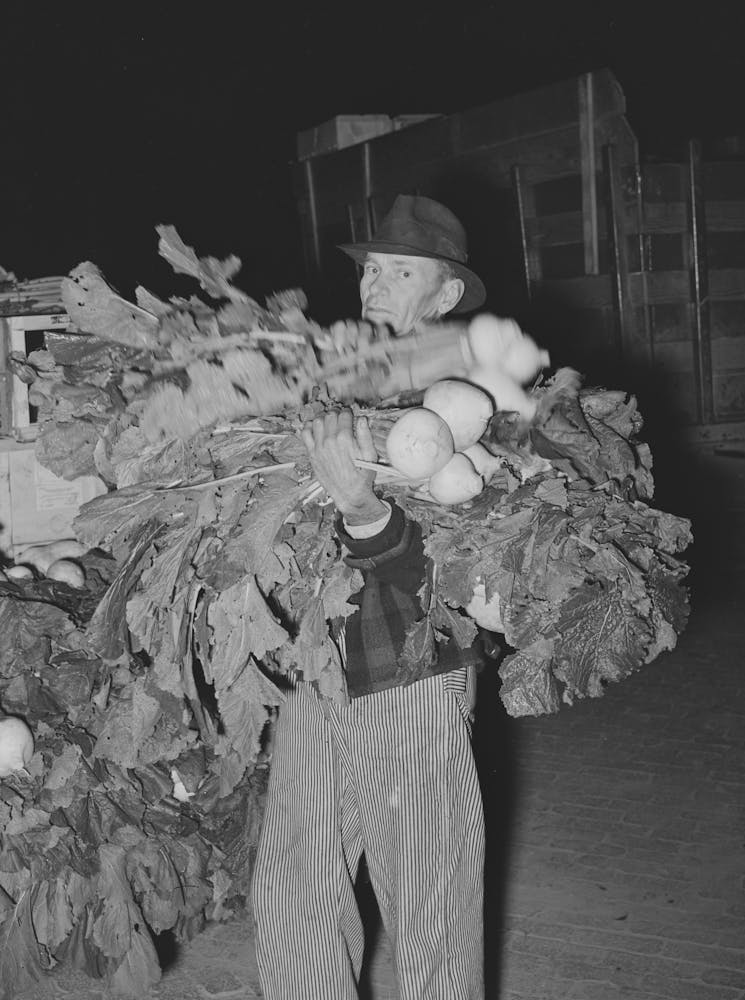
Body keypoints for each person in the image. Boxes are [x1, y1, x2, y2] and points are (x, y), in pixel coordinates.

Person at [251, 195, 489, 999]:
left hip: (410, 670)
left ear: (446, 294)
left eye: (400, 272)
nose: (375, 285)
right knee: (294, 885)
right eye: (371, 270)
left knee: (428, 900)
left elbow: (464, 566)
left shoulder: (477, 395)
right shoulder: (339, 378)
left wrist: (361, 507)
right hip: (319, 664)